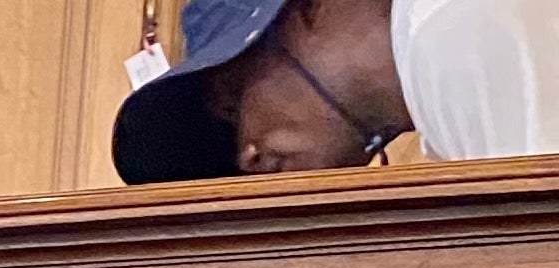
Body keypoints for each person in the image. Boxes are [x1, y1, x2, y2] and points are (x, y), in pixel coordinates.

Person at [114, 0, 559, 181]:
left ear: (307, 9)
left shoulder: (453, 30)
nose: (247, 157)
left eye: (234, 102)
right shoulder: (437, 59)